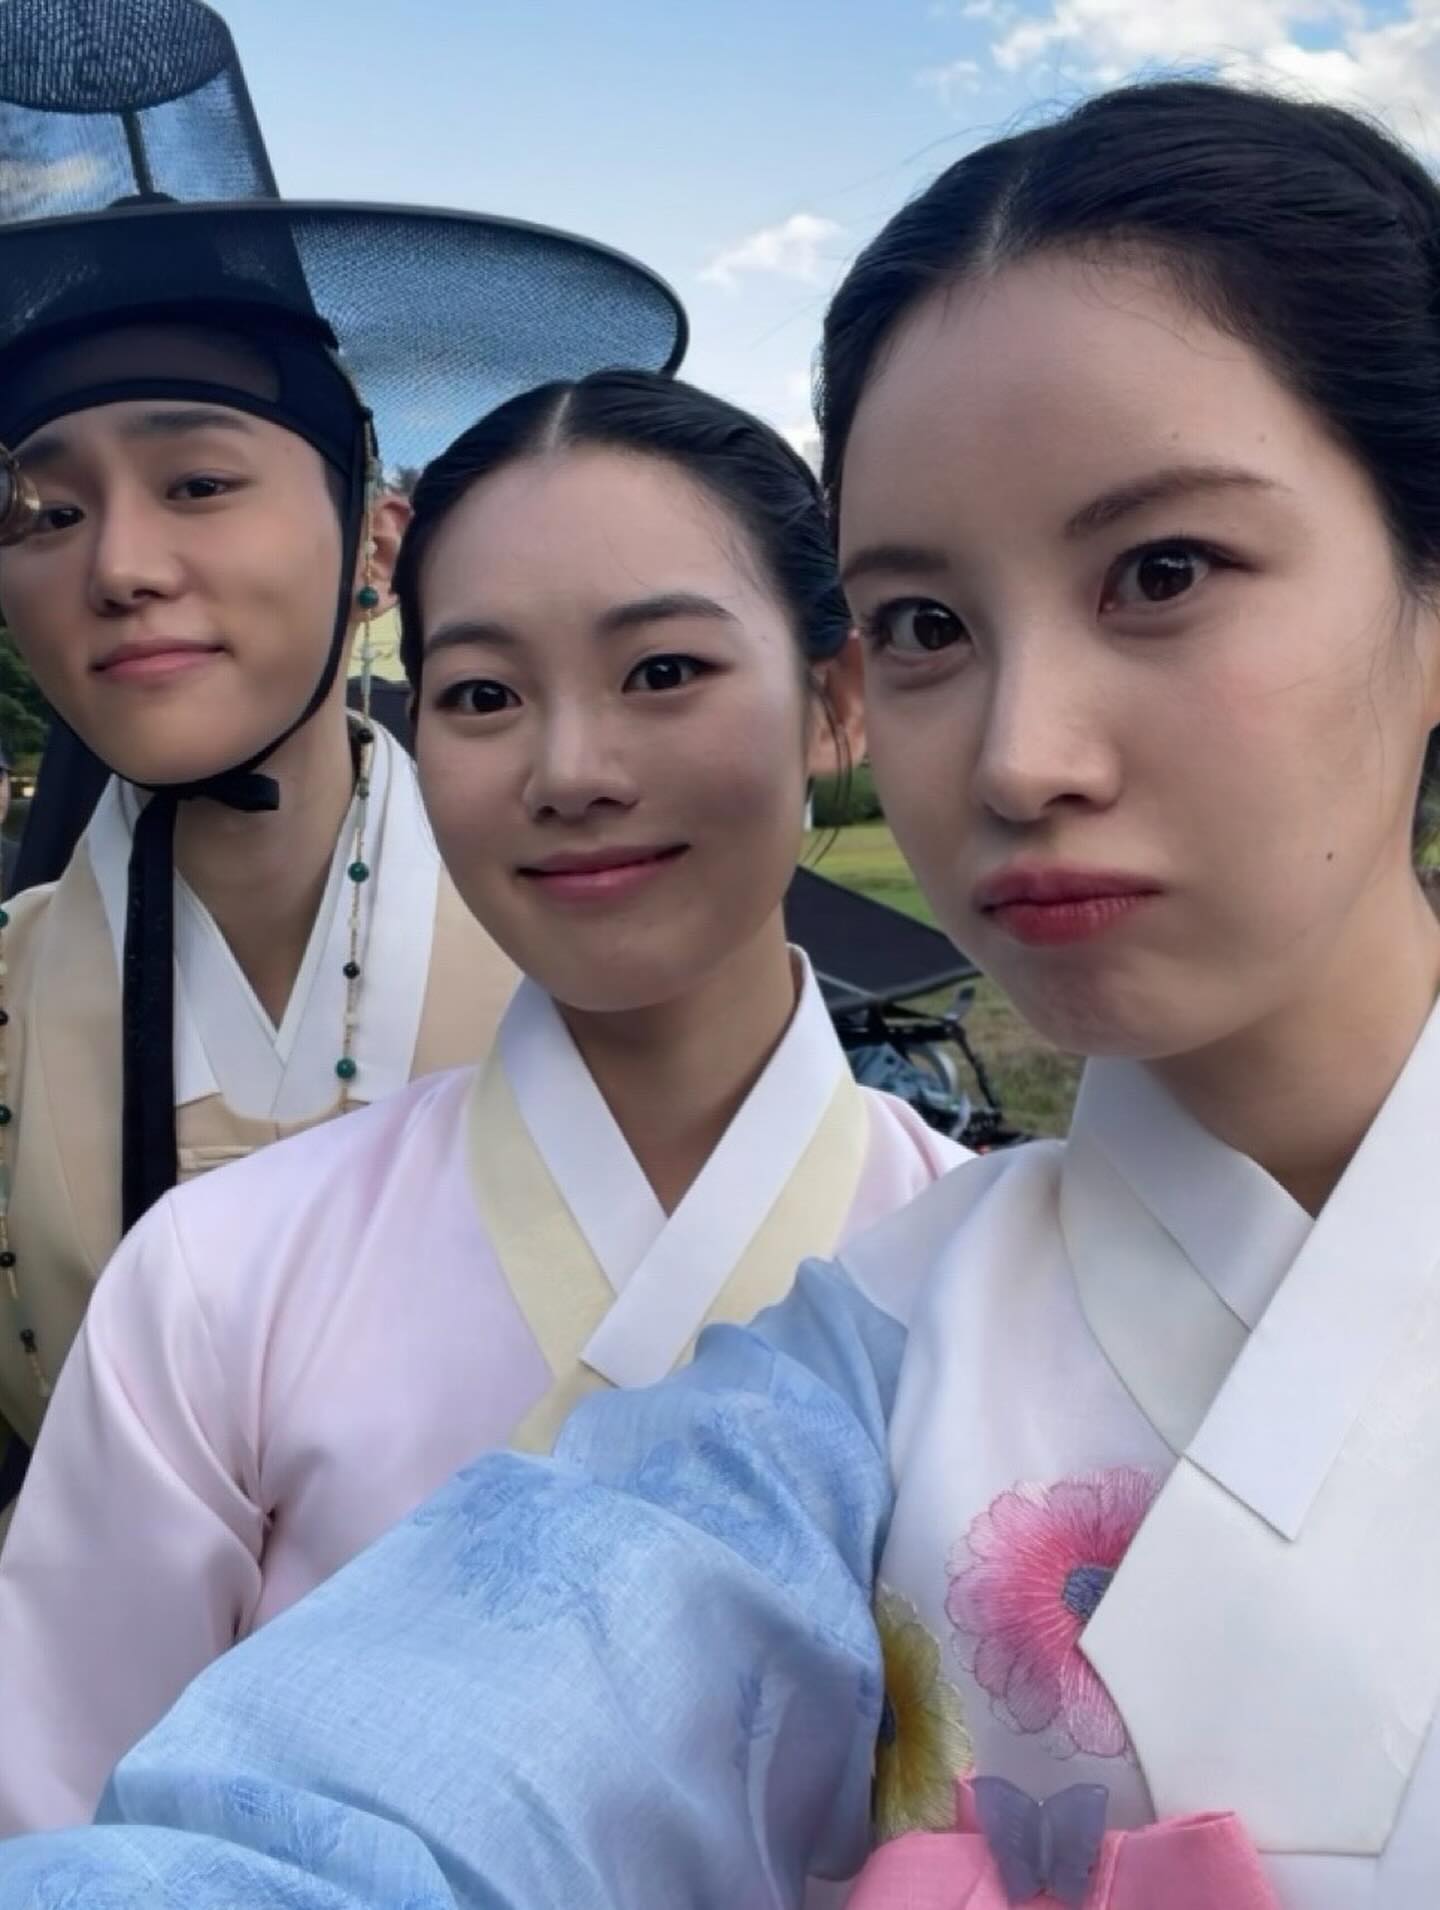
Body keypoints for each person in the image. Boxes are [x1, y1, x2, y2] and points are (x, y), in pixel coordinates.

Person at [4, 69, 1435, 1910]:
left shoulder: (900, 1240)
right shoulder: (859, 1368)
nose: (1021, 755)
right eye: (929, 623)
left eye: (1164, 571)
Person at [0, 369, 964, 1835]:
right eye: (483, 696)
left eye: (664, 671)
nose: (571, 772)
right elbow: (55, 1812)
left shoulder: (997, 1275)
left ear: (837, 699)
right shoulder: (215, 1278)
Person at [0, 0, 685, 1518]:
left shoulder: (602, 950)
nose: (119, 565)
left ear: (379, 538)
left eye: (198, 481)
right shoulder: (9, 988)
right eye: (44, 510)